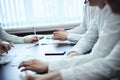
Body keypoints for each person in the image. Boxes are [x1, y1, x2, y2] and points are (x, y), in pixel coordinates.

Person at [18, 0, 120, 80]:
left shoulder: (111, 10)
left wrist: (49, 68)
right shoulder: (105, 10)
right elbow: (89, 37)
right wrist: (73, 52)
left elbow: (106, 65)